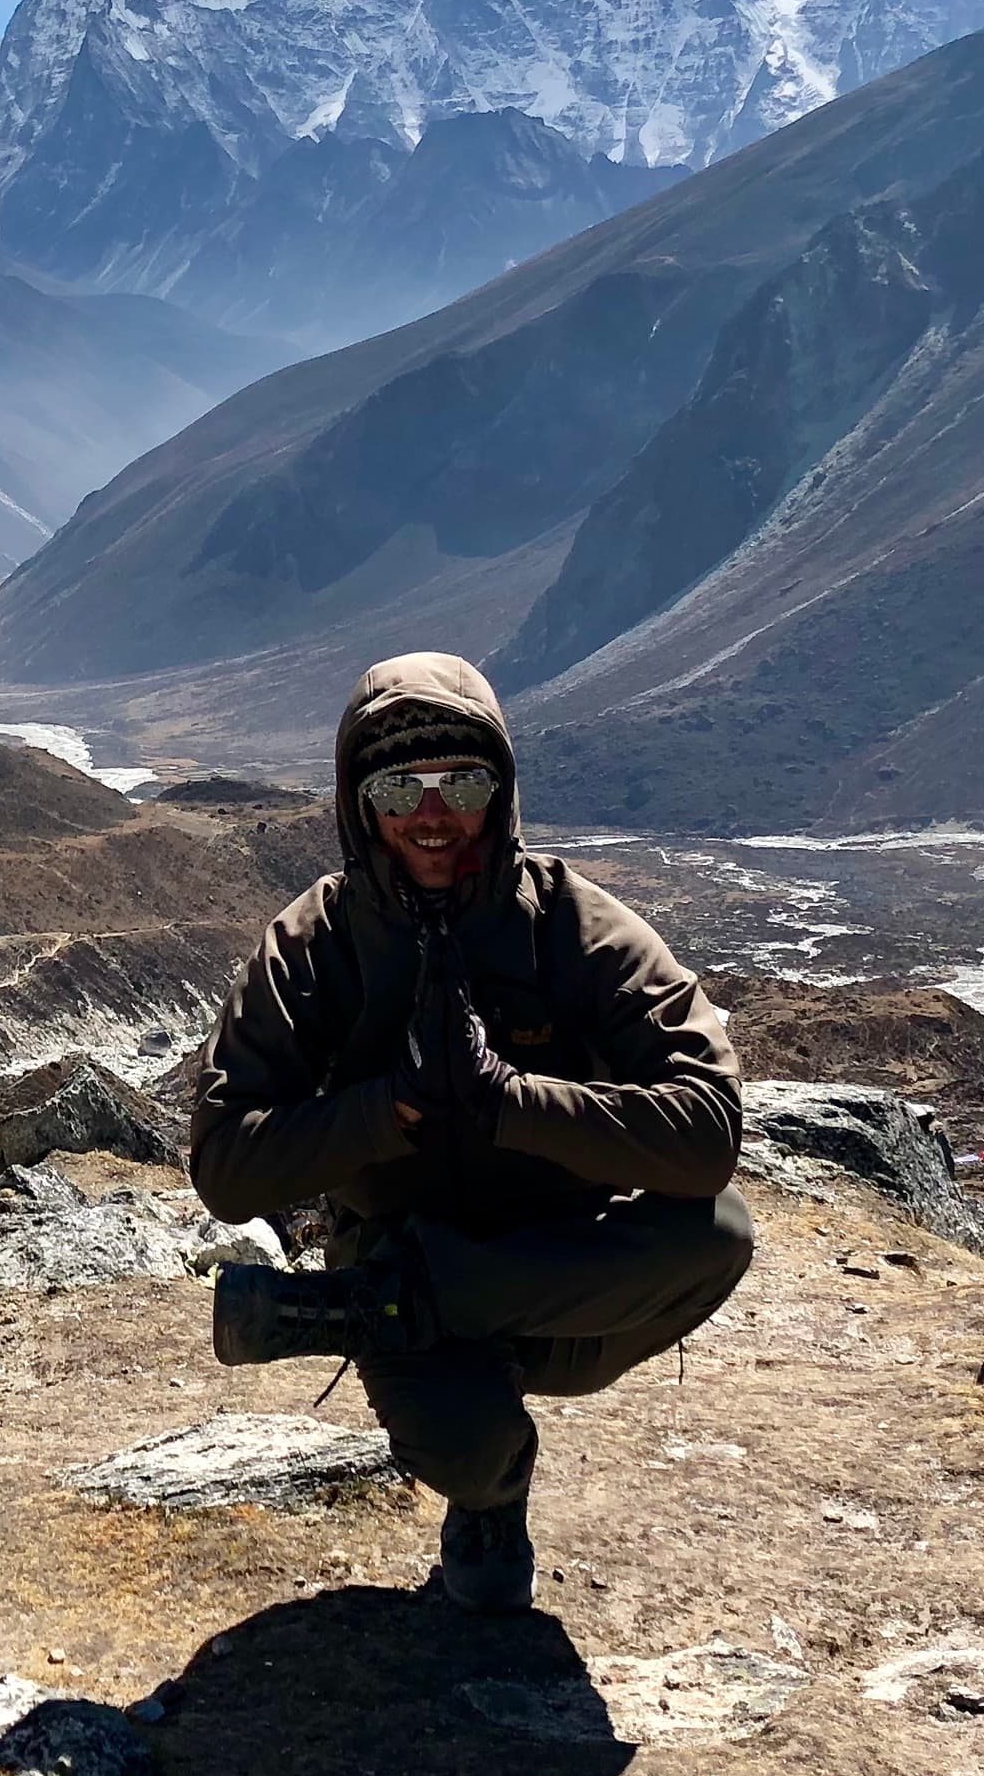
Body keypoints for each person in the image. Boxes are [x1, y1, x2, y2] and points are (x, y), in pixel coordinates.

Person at [190, 652, 755, 1614]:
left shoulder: (575, 926)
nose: (432, 812)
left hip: (552, 1267)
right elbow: (226, 1168)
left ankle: (391, 1309)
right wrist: (384, 1111)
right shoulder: (313, 946)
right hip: (398, 1245)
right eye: (399, 785)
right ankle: (491, 1489)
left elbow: (707, 1134)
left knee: (717, 1234)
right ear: (360, 802)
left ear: (500, 790)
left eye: (463, 781)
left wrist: (508, 1100)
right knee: (466, 1449)